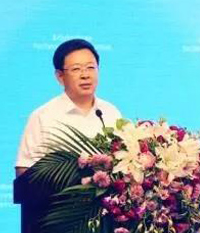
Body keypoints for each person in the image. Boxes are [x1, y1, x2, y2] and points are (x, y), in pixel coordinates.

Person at [15, 38, 122, 177]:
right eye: (76, 69)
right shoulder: (43, 116)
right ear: (60, 76)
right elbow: (24, 171)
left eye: (90, 67)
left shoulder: (111, 113)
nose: (85, 75)